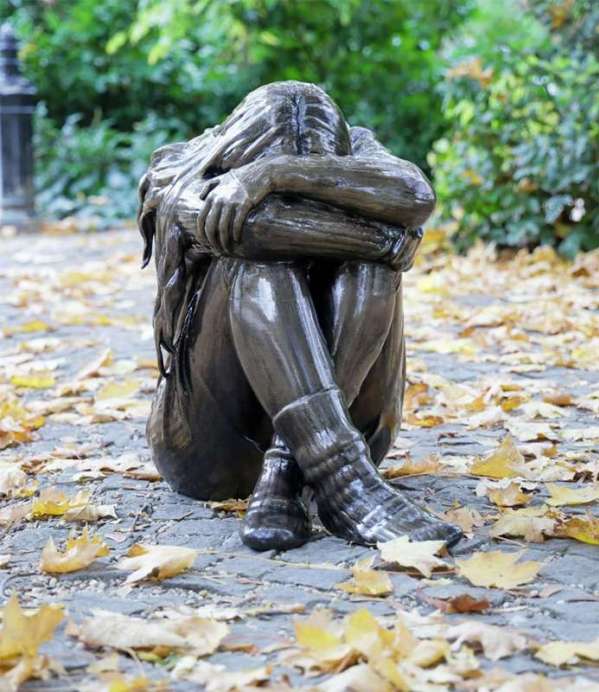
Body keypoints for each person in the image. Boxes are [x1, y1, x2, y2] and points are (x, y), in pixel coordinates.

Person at [138, 81, 461, 551]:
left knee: (369, 270)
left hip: (358, 425)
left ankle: (290, 469)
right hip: (214, 446)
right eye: (273, 159)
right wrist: (384, 240)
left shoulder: (360, 149)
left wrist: (275, 174)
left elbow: (416, 195)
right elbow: (252, 231)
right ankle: (341, 476)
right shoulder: (183, 168)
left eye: (317, 164)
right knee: (255, 260)